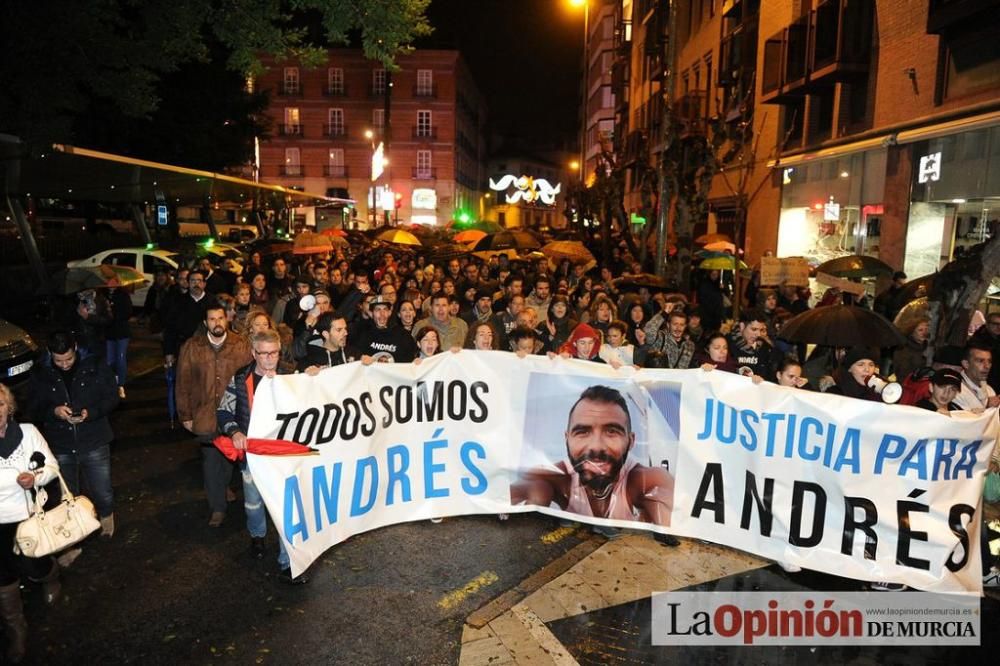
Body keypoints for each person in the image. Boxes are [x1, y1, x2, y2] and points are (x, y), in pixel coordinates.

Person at [217, 329, 308, 585]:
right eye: (263, 353)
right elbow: (223, 412)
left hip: (284, 457)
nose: (269, 359)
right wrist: (234, 432)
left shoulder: (291, 375)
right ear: (253, 353)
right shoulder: (240, 379)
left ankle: (288, 562)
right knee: (254, 504)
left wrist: (312, 379)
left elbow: (312, 403)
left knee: (285, 509)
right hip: (254, 457)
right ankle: (257, 536)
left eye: (274, 353)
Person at [510, 385, 673, 526]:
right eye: (582, 432)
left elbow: (679, 528)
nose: (596, 446)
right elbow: (499, 498)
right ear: (567, 439)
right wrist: (535, 496)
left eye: (611, 432)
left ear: (630, 441)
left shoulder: (648, 481)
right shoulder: (552, 477)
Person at [28, 331, 119, 541]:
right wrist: (54, 411)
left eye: (68, 358)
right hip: (60, 443)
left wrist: (91, 412)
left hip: (94, 439)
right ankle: (74, 533)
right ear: (50, 353)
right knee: (67, 494)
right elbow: (32, 408)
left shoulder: (94, 365)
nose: (65, 364)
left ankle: (106, 520)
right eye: (58, 360)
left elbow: (112, 397)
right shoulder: (40, 373)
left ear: (75, 347)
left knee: (102, 490)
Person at [0, 383, 62, 663]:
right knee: (3, 576)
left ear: (9, 407)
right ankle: (17, 629)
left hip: (26, 518)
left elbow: (51, 467)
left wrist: (34, 478)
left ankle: (50, 575)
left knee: (33, 567)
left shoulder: (27, 433)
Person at [176, 304, 252, 527]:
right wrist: (186, 415)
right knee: (210, 461)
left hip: (232, 415)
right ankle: (217, 508)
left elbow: (249, 378)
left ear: (226, 319)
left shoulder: (241, 345)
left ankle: (224, 485)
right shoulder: (192, 347)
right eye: (212, 319)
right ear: (205, 322)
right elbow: (183, 382)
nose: (217, 323)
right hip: (205, 414)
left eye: (220, 318)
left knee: (228, 458)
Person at [355, 296, 417, 363]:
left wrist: (416, 362)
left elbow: (410, 363)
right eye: (378, 309)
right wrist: (359, 356)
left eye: (385, 309)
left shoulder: (403, 335)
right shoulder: (361, 332)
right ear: (371, 313)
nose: (382, 314)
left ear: (390, 312)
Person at [953, 342, 1000, 412]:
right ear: (966, 364)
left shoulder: (990, 390)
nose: (987, 366)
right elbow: (961, 420)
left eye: (989, 361)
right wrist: (986, 408)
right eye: (980, 361)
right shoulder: (955, 391)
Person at [104, 283, 132, 399]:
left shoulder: (123, 295)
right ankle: (112, 383)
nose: (111, 284)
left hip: (122, 333)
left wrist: (113, 310)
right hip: (108, 333)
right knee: (110, 360)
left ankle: (121, 384)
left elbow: (127, 313)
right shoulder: (102, 296)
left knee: (120, 359)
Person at [892, 318, 929, 382]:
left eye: (926, 329)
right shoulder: (903, 350)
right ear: (912, 333)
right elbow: (901, 375)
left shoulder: (928, 348)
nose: (924, 333)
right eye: (920, 330)